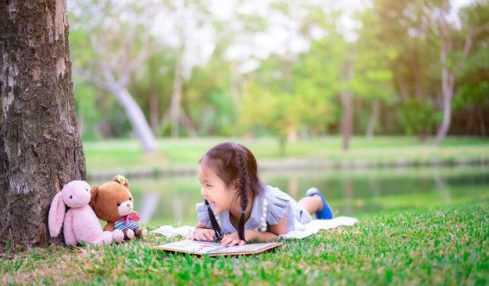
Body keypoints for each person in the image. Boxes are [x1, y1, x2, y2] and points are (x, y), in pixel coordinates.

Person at [192, 142, 333, 246]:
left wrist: (250, 234)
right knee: (300, 208)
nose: (203, 192)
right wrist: (200, 232)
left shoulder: (270, 203)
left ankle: (317, 200)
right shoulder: (213, 204)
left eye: (208, 186)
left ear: (236, 184)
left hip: (286, 215)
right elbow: (201, 227)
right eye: (202, 184)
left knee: (300, 211)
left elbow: (279, 236)